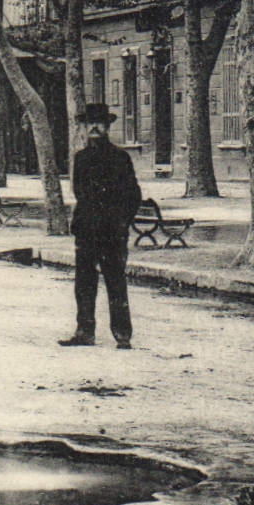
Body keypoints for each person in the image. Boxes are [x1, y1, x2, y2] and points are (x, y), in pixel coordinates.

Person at [59, 102, 142, 349]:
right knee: (84, 283)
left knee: (116, 282)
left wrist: (122, 222)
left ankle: (123, 334)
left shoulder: (120, 158)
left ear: (106, 127)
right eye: (90, 124)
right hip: (86, 231)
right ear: (84, 128)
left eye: (99, 124)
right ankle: (84, 331)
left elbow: (133, 195)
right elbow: (79, 192)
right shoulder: (80, 159)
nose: (94, 128)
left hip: (112, 233)